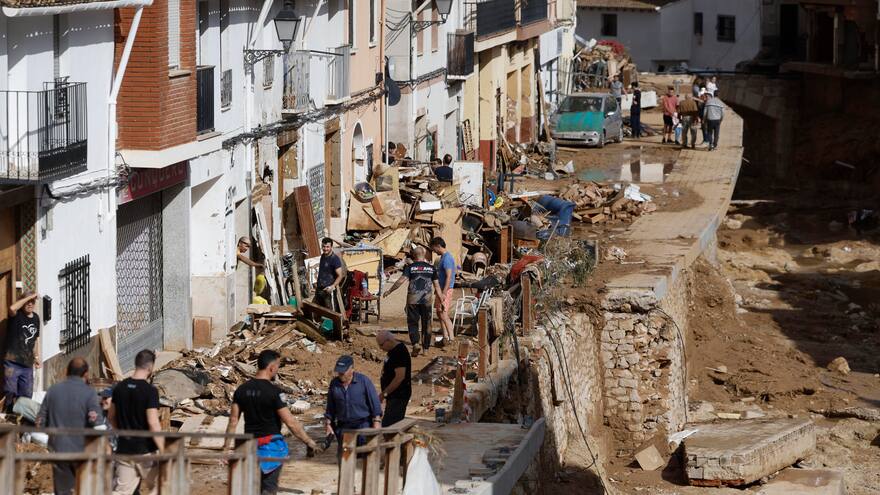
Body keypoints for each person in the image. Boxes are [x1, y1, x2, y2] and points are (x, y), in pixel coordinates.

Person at [226, 350, 321, 495]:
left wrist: (226, 448)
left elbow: (233, 421)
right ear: (271, 367)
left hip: (248, 447)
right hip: (271, 448)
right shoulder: (274, 392)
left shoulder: (241, 390)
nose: (277, 369)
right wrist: (309, 441)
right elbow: (290, 422)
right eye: (278, 366)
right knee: (268, 489)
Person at [36, 358, 101, 495]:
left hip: (59, 450)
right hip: (83, 451)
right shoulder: (89, 393)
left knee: (63, 491)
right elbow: (98, 425)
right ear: (86, 374)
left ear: (66, 371)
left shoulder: (53, 391)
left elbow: (39, 422)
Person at [109, 349, 164, 495]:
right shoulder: (150, 391)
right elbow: (153, 423)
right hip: (145, 451)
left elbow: (111, 417)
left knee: (121, 491)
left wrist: (121, 434)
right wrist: (164, 448)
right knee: (162, 486)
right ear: (150, 367)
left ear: (136, 364)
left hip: (123, 450)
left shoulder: (119, 387)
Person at [382, 246, 442, 355]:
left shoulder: (410, 267)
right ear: (424, 255)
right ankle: (426, 350)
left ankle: (415, 344)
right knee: (427, 324)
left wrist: (389, 291)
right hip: (427, 301)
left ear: (414, 256)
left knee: (413, 323)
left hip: (413, 300)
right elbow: (437, 286)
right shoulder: (431, 268)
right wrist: (442, 300)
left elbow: (401, 281)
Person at [324, 355, 382, 457]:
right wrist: (328, 424)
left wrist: (376, 423)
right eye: (339, 371)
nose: (340, 373)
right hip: (344, 428)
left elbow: (375, 404)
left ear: (352, 369)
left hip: (363, 427)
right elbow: (330, 407)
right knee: (345, 459)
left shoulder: (364, 381)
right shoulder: (334, 384)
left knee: (365, 458)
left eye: (343, 371)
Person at [4, 291, 41, 412]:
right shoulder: (16, 315)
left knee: (26, 394)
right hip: (12, 362)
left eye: (32, 302)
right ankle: (9, 413)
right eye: (27, 301)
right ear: (23, 302)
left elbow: (36, 339)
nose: (30, 304)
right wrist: (30, 296)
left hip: (27, 364)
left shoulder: (36, 318)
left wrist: (37, 357)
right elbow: (11, 308)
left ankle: (22, 417)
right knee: (10, 391)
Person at [376, 331, 411, 427]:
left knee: (389, 426)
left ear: (388, 341)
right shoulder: (392, 351)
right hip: (392, 395)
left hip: (398, 395)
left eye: (381, 345)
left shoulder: (399, 352)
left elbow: (399, 377)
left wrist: (384, 394)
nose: (380, 348)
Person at [430, 237, 456, 347]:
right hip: (440, 290)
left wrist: (444, 293)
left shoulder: (447, 258)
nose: (434, 251)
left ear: (438, 246)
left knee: (444, 314)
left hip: (445, 290)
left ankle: (451, 339)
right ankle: (445, 337)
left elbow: (449, 277)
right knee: (439, 313)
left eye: (434, 248)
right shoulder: (443, 258)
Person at [314, 237, 344, 310]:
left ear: (331, 247)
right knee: (317, 310)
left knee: (330, 312)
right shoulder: (323, 256)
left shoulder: (335, 259)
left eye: (327, 247)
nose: (325, 249)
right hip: (319, 289)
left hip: (328, 291)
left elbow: (340, 275)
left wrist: (332, 286)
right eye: (323, 246)